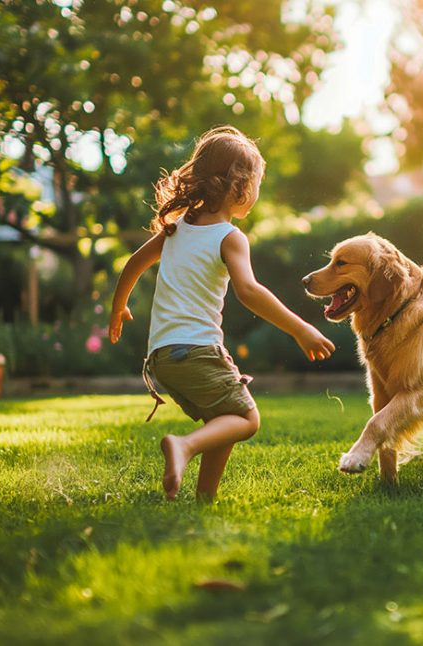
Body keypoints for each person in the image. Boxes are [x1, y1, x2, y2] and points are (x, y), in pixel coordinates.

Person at [109, 125, 335, 500]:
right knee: (246, 419)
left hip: (162, 357)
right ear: (240, 186)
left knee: (223, 418)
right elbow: (249, 291)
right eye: (258, 183)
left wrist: (119, 308)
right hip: (198, 351)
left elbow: (133, 263)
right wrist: (300, 329)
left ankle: (204, 498)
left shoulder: (177, 228)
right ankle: (184, 447)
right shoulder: (229, 237)